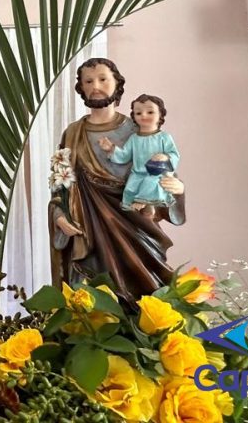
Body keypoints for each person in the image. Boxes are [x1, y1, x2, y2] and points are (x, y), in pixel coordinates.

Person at [48, 58, 187, 303]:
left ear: (117, 84)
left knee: (144, 298)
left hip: (134, 224)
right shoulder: (72, 133)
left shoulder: (137, 128)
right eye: (88, 81)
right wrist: (59, 215)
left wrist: (178, 190)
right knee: (90, 299)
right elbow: (60, 183)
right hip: (87, 229)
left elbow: (162, 170)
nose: (96, 86)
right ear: (81, 87)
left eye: (103, 79)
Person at [99, 94, 180, 216]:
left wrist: (165, 157)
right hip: (137, 175)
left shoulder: (164, 137)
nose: (144, 115)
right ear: (134, 117)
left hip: (156, 174)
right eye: (138, 113)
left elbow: (174, 154)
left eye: (150, 112)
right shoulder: (134, 139)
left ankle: (147, 205)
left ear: (160, 115)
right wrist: (111, 148)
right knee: (130, 189)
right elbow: (124, 155)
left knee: (150, 182)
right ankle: (141, 211)